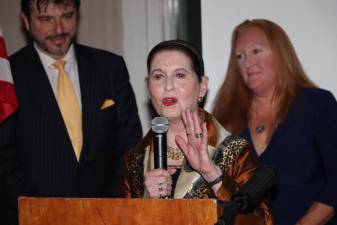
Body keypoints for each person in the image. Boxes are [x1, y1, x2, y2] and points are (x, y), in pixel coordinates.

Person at [0, 0, 142, 224]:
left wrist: (103, 208)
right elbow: (5, 156)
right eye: (46, 19)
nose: (58, 29)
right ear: (26, 21)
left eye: (67, 16)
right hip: (32, 216)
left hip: (106, 215)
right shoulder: (8, 76)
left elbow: (129, 145)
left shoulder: (110, 68)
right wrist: (40, 211)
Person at [122, 40, 273, 225]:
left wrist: (213, 175)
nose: (168, 86)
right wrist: (145, 205)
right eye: (159, 76)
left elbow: (262, 222)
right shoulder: (135, 159)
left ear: (202, 86)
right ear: (148, 87)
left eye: (179, 75)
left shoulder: (235, 151)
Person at [212, 19, 337, 225]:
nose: (247, 63)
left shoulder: (318, 104)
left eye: (256, 51)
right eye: (240, 56)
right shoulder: (225, 117)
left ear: (281, 53)